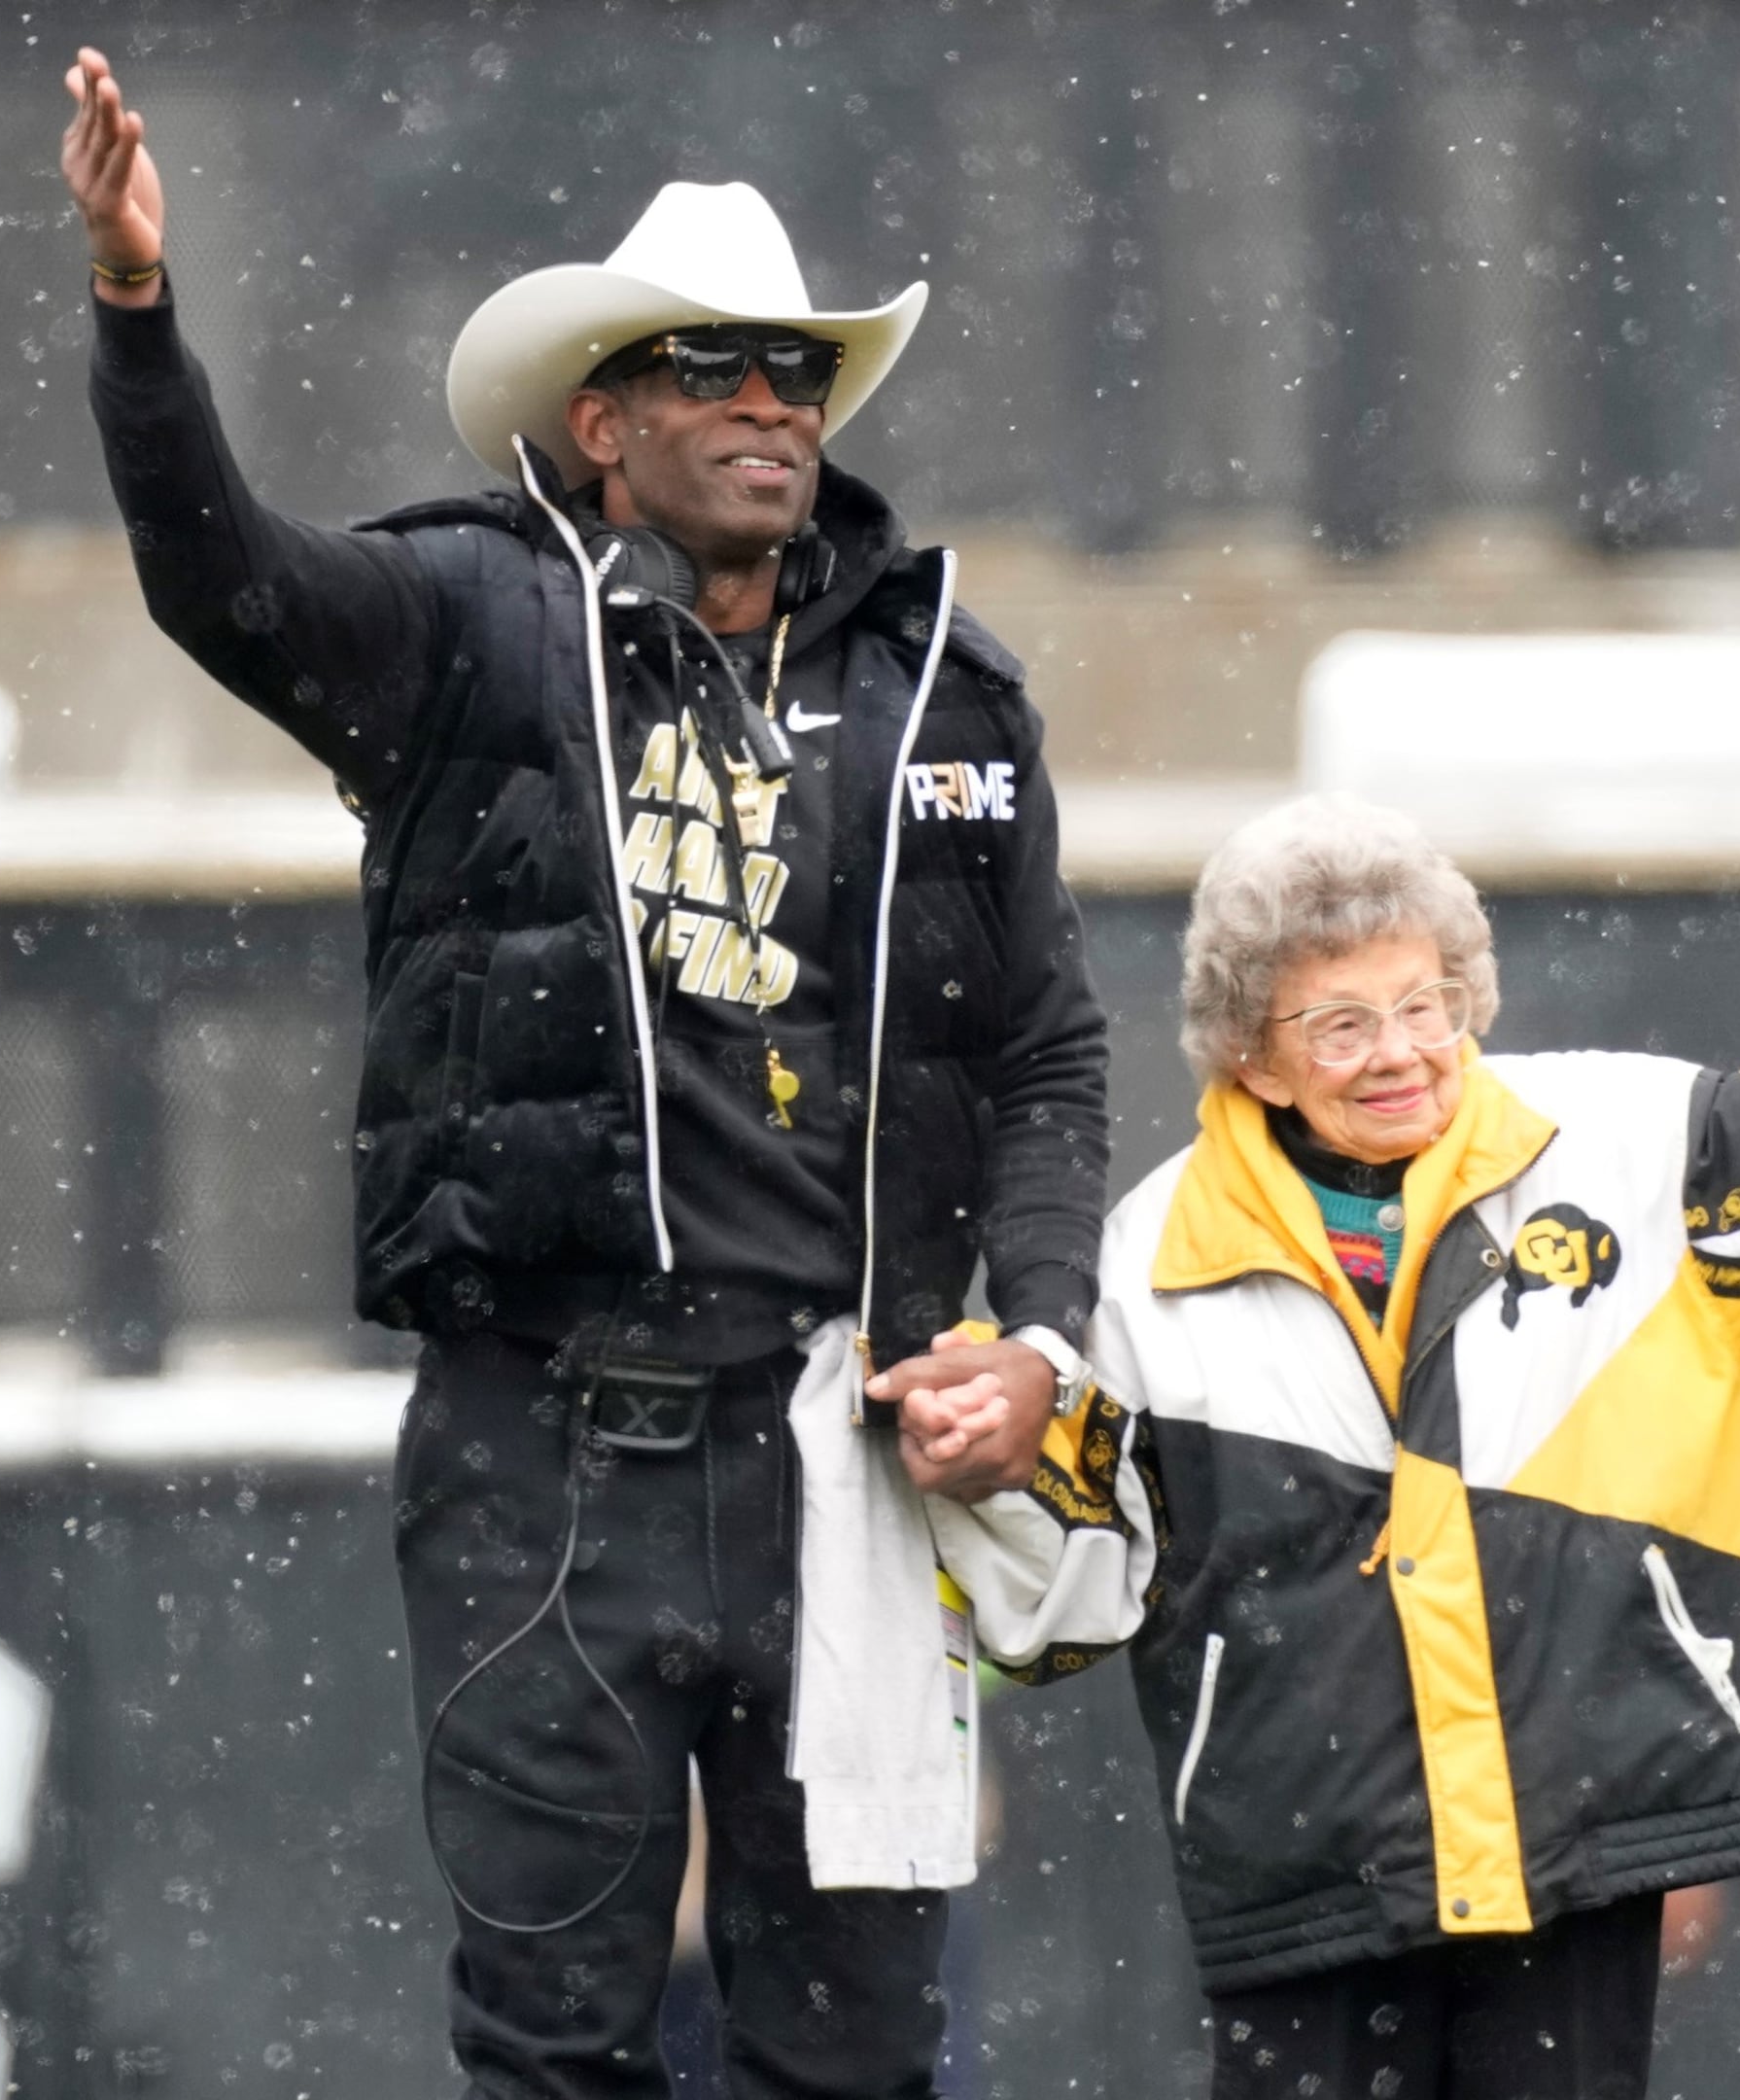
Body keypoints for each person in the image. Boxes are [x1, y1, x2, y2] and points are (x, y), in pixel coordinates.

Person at [59, 53, 1107, 2097]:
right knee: (555, 2042)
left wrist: (1044, 1340)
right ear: (598, 426)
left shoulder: (947, 690)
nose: (769, 407)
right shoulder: (471, 619)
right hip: (550, 1447)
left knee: (865, 2049)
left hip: (846, 1449)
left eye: (799, 373)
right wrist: (133, 314)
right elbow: (222, 576)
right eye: (712, 368)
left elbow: (1051, 1046)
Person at [895, 792, 1740, 2100]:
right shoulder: (1136, 1261)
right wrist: (985, 1459)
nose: (1399, 1053)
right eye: (1341, 1023)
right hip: (1297, 1873)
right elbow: (1061, 1606)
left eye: (1424, 1004)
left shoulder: (1638, 1143)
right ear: (1249, 1055)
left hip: (1572, 1846)